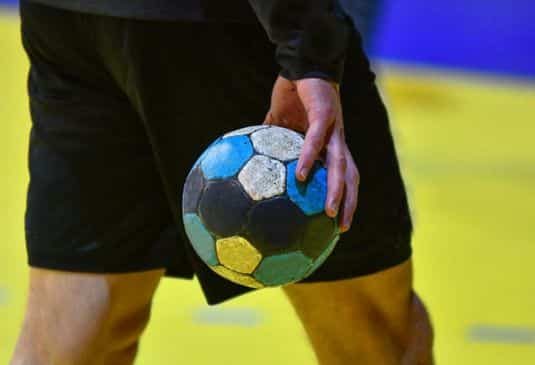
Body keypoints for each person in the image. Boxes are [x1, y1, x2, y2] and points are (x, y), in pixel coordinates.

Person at [11, 0, 433, 364]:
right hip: (230, 28)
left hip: (68, 24)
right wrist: (308, 49)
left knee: (73, 331)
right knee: (374, 330)